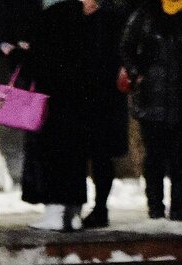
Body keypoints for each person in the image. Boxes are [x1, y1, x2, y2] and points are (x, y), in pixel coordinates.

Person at [4, 0, 95, 232]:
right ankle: (74, 214)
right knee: (75, 159)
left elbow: (39, 65)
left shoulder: (52, 23)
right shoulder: (85, 28)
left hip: (51, 106)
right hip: (80, 103)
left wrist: (15, 54)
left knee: (51, 157)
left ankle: (54, 213)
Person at [120, 0, 182, 221]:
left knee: (180, 157)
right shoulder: (145, 13)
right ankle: (155, 208)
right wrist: (136, 73)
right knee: (154, 157)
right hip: (151, 98)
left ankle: (178, 208)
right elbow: (126, 46)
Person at [80, 0, 131, 229]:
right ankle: (89, 207)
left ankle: (100, 207)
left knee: (100, 156)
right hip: (88, 97)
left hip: (102, 99)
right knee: (90, 156)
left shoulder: (111, 19)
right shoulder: (79, 19)